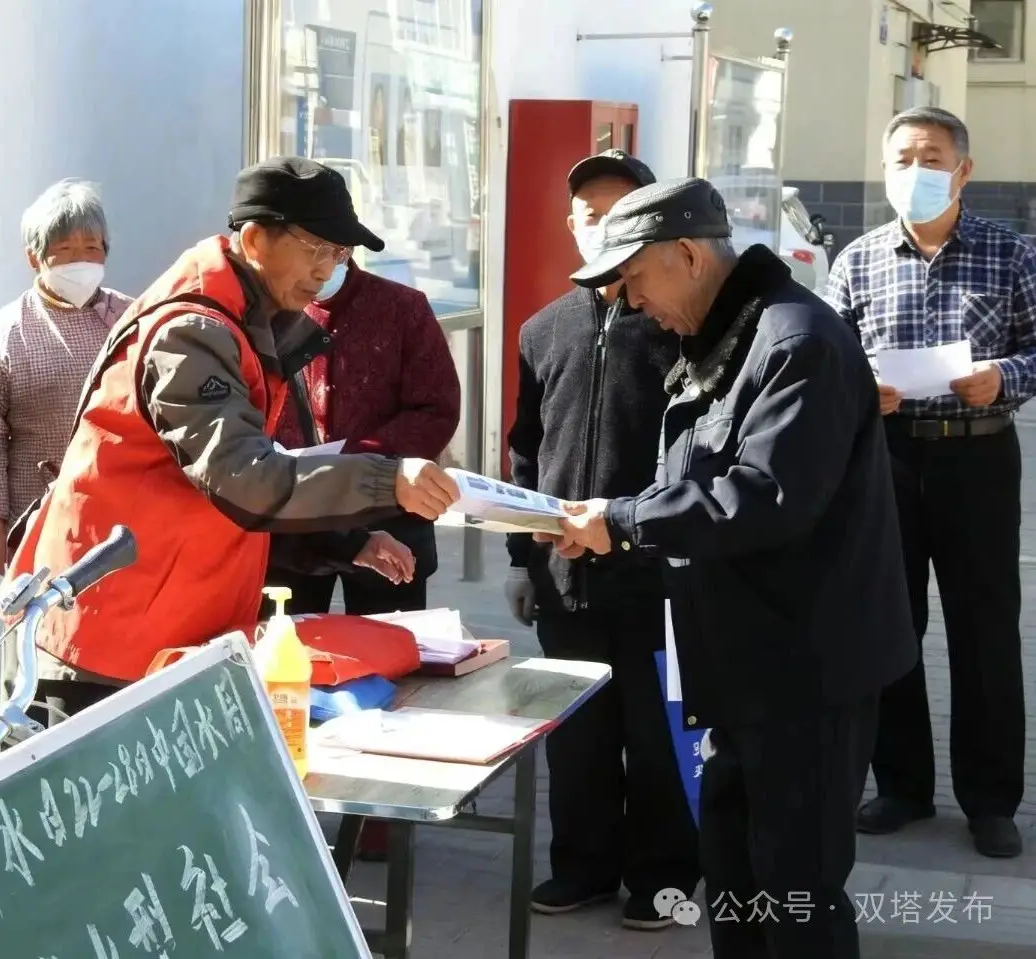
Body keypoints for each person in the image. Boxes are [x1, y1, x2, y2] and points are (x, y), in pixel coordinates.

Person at [543, 177, 917, 959]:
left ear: (686, 255)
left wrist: (620, 520)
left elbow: (764, 496)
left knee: (796, 890)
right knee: (740, 881)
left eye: (634, 280)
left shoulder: (793, 341)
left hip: (805, 673)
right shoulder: (718, 342)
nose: (631, 302)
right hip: (740, 667)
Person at [4, 156, 460, 722]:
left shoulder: (248, 320)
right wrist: (387, 479)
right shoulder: (193, 331)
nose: (325, 269)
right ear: (255, 238)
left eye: (339, 254)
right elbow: (242, 478)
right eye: (315, 248)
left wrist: (344, 543)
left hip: (167, 626)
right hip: (106, 636)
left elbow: (227, 492)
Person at [826, 106, 1035, 859]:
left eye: (932, 156)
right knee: (890, 622)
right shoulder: (857, 260)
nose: (916, 170)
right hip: (886, 457)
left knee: (985, 631)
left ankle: (991, 801)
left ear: (963, 169)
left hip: (979, 456)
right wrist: (857, 392)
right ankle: (903, 785)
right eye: (902, 157)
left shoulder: (1012, 254)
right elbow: (824, 360)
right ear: (885, 170)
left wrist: (1003, 375)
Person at [505, 150, 698, 929]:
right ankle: (582, 864)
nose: (600, 225)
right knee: (576, 735)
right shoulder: (542, 328)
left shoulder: (676, 324)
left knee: (658, 731)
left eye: (619, 211)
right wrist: (525, 558)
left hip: (654, 572)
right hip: (565, 575)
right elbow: (524, 450)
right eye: (588, 213)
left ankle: (665, 872)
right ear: (571, 223)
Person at [266, 258, 460, 616]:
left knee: (394, 647)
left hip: (391, 507)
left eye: (330, 249)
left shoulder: (403, 306)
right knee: (287, 645)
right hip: (293, 516)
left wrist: (360, 462)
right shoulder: (272, 305)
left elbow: (436, 409)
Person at [0, 179, 134, 575]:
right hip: (36, 514)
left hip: (122, 510)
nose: (80, 259)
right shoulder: (5, 331)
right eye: (64, 249)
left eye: (91, 247)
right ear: (34, 257)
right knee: (41, 622)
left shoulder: (132, 317)